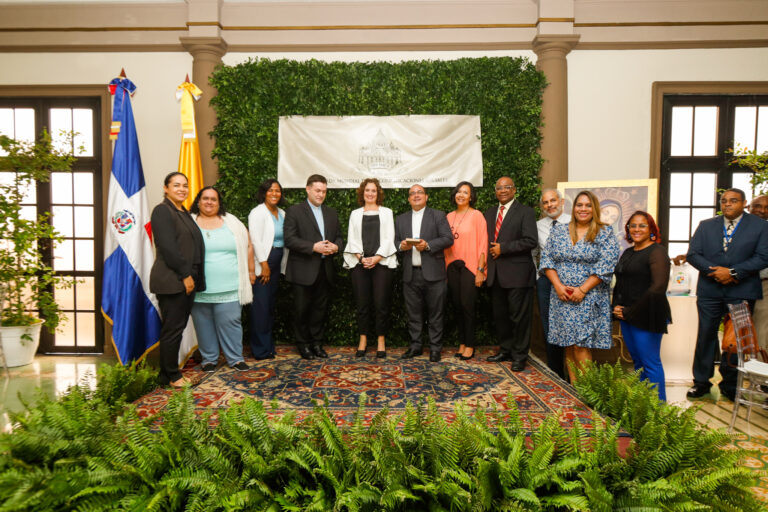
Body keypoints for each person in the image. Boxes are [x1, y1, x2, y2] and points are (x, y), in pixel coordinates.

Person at [685, 188, 768, 400]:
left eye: (733, 201)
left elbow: (763, 257)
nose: (728, 204)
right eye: (724, 201)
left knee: (736, 341)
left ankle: (730, 384)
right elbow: (693, 254)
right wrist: (716, 272)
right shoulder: (706, 226)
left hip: (741, 289)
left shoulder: (760, 226)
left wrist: (732, 272)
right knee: (706, 335)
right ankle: (701, 382)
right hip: (710, 290)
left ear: (744, 203)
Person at [540, 190, 619, 383]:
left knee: (580, 345)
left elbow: (607, 264)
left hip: (588, 296)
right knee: (568, 344)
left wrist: (582, 289)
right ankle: (576, 391)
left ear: (594, 209)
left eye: (587, 205)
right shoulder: (559, 230)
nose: (583, 209)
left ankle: (589, 394)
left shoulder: (605, 232)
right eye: (579, 205)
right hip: (561, 297)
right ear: (573, 208)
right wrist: (558, 286)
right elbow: (546, 259)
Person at [149, 172, 205, 388]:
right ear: (166, 188)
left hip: (184, 279)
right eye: (176, 185)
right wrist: (186, 275)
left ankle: (168, 375)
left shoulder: (182, 212)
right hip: (173, 280)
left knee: (177, 328)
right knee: (172, 330)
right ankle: (172, 376)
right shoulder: (162, 211)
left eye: (185, 185)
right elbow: (169, 248)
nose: (182, 189)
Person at [189, 187, 254, 372]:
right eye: (205, 198)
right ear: (198, 201)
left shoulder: (231, 222)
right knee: (203, 325)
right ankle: (209, 359)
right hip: (199, 288)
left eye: (214, 199)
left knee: (231, 323)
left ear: (219, 203)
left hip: (230, 286)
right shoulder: (189, 221)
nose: (209, 202)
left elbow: (248, 245)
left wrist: (250, 271)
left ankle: (235, 359)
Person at [612, 211, 672, 401]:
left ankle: (658, 412)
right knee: (637, 362)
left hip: (648, 314)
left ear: (651, 229)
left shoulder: (657, 252)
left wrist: (630, 311)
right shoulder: (629, 252)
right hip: (627, 315)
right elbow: (621, 282)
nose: (637, 229)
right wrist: (616, 308)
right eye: (633, 225)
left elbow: (658, 288)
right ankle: (643, 407)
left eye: (642, 225)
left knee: (650, 362)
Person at [283, 174, 344, 360]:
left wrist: (337, 246)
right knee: (301, 310)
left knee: (320, 310)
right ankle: (303, 345)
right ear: (307, 189)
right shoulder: (294, 211)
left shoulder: (331, 213)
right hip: (302, 271)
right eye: (317, 190)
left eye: (324, 191)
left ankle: (317, 344)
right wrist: (312, 247)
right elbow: (289, 239)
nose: (320, 194)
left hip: (325, 270)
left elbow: (339, 237)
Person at [484, 176, 538, 372]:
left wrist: (503, 248)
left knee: (519, 317)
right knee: (501, 316)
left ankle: (520, 355)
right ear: (495, 192)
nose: (503, 190)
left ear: (514, 190)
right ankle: (505, 350)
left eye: (507, 187)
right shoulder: (489, 213)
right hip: (496, 275)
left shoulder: (525, 212)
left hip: (518, 274)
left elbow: (531, 241)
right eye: (499, 188)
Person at [396, 184, 454, 362]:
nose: (416, 195)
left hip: (434, 274)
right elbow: (394, 242)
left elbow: (448, 238)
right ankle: (416, 346)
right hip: (410, 274)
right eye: (412, 193)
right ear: (408, 199)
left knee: (436, 313)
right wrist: (401, 246)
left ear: (426, 197)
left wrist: (427, 245)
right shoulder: (401, 219)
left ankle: (435, 348)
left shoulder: (438, 215)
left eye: (419, 192)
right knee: (413, 314)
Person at [343, 178, 397, 358]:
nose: (370, 193)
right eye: (367, 190)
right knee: (362, 304)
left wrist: (377, 258)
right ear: (362, 193)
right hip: (360, 264)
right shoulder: (355, 214)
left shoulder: (387, 213)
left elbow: (390, 239)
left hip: (382, 263)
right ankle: (363, 339)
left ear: (378, 193)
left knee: (381, 304)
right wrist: (361, 258)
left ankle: (381, 340)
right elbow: (352, 239)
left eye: (373, 191)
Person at [445, 181, 487, 361]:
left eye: (465, 192)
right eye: (458, 192)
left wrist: (480, 270)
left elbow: (483, 243)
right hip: (451, 267)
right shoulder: (448, 216)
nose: (461, 195)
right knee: (456, 306)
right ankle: (462, 342)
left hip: (470, 267)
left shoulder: (477, 215)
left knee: (467, 306)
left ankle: (470, 344)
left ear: (471, 197)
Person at [247, 179, 289, 360]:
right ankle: (259, 350)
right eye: (271, 190)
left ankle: (268, 346)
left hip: (278, 259)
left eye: (277, 191)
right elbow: (255, 239)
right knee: (260, 307)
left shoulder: (282, 213)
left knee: (270, 306)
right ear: (264, 192)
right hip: (264, 261)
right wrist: (263, 264)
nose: (274, 194)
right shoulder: (257, 212)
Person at [535, 188, 570, 379]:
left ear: (561, 201)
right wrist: (537, 276)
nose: (550, 205)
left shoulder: (574, 222)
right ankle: (555, 374)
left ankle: (574, 375)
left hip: (570, 282)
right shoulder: (538, 225)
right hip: (546, 283)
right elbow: (533, 253)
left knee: (570, 326)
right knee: (549, 327)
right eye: (546, 203)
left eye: (553, 201)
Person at [748, 195, 768, 351]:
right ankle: (735, 374)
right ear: (748, 207)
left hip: (764, 285)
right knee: (738, 331)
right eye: (757, 206)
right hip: (737, 284)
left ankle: (758, 375)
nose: (762, 210)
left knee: (760, 330)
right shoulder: (737, 227)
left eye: (767, 207)